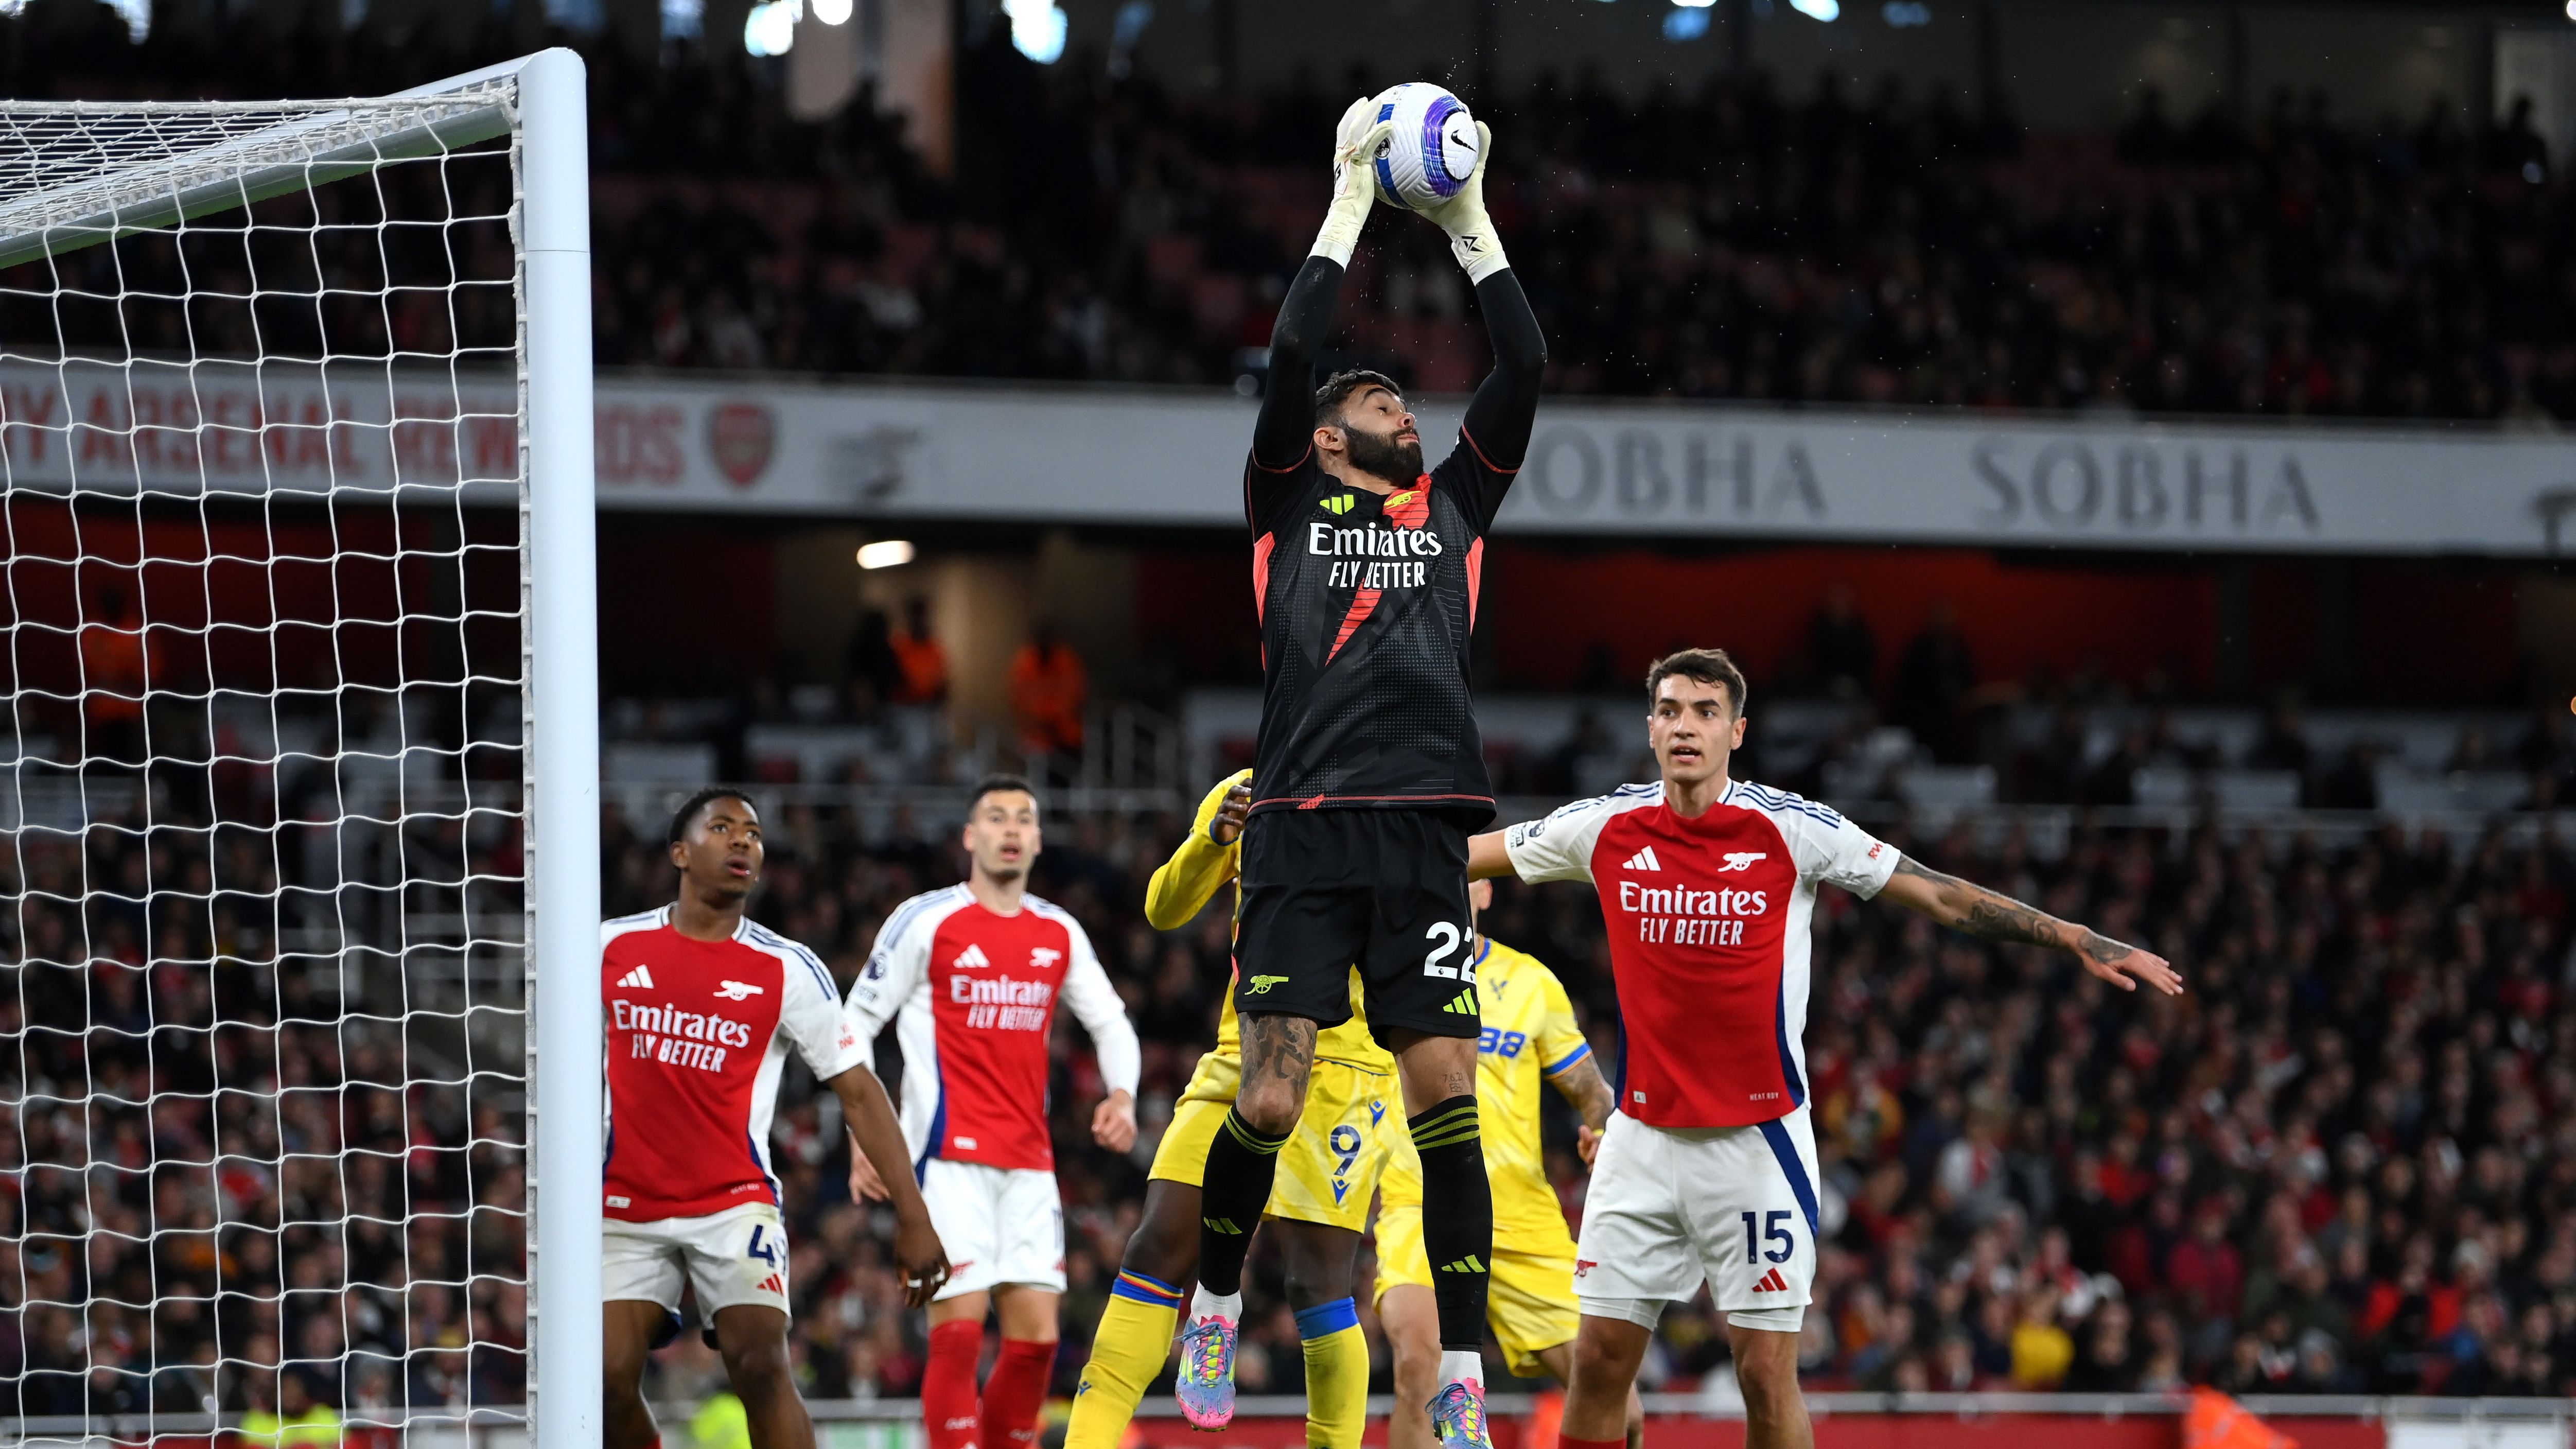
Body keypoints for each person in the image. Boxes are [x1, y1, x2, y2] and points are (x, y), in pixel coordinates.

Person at [1465, 649, 2184, 1449]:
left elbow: (1938, 891)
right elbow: (1465, 856)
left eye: (1705, 711)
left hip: (1756, 1144)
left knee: (1765, 1377)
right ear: (1650, 727)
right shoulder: (1602, 825)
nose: (1685, 726)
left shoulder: (1792, 828)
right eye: (1670, 709)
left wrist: (2077, 937)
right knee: (1599, 1363)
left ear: (1737, 730)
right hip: (1640, 1138)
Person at [1186, 92, 1545, 1449]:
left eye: (1403, 394)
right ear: (1328, 434)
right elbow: (1287, 354)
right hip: (1296, 829)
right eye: (1375, 394)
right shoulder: (1285, 498)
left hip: (1423, 839)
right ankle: (1217, 1295)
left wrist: (1465, 223)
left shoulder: (1454, 505)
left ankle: (1457, 1368)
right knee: (1267, 1094)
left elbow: (1525, 361)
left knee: (1443, 1087)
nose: (1401, 402)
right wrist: (1349, 200)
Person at [601, 789, 949, 1449]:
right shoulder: (609, 949)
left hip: (733, 1203)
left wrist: (913, 1216)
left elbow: (861, 1093)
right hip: (623, 1202)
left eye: (754, 834)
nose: (742, 842)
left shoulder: (786, 967)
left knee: (759, 1364)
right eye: (723, 828)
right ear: (679, 851)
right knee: (606, 1377)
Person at [1064, 771, 1395, 1449]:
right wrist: (1213, 839)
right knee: (1156, 1243)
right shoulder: (1250, 786)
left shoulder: (1395, 791)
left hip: (1347, 1069)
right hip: (1242, 1052)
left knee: (1316, 1283)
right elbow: (1162, 906)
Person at [845, 775, 1142, 1449]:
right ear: (970, 836)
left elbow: (1112, 1020)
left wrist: (1121, 1092)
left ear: (1037, 841)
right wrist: (865, 1130)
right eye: (996, 816)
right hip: (945, 1157)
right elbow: (855, 1022)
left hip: (1029, 1163)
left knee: (1037, 1341)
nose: (1011, 827)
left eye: (1024, 818)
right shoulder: (926, 920)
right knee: (957, 1335)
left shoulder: (1057, 929)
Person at [1376, 879, 1641, 1449]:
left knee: (1622, 1406)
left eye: (1462, 869)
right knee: (1419, 1371)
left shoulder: (1531, 982)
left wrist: (1605, 1130)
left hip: (1522, 1218)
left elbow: (1592, 1092)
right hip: (1418, 1205)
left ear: (1486, 892)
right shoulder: (1384, 966)